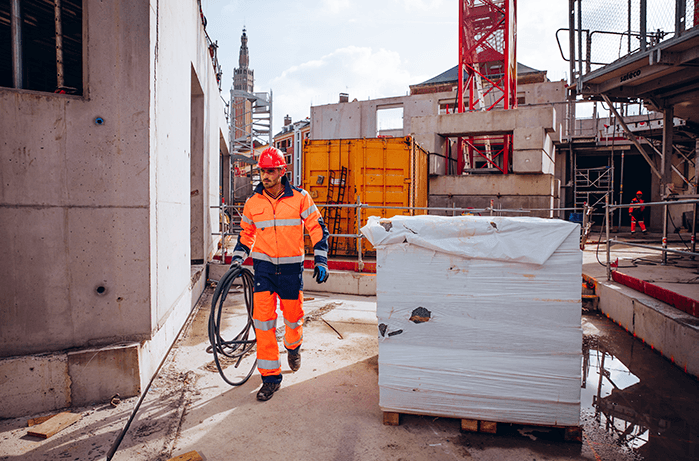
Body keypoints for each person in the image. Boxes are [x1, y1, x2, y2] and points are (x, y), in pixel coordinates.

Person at [231, 147, 329, 401]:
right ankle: (270, 377)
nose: (265, 175)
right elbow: (246, 234)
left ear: (282, 171)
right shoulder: (253, 203)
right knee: (263, 323)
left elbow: (317, 228)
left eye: (271, 170)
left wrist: (321, 259)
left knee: (293, 319)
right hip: (263, 270)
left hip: (290, 270)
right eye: (263, 170)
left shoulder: (300, 198)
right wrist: (237, 259)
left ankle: (293, 346)